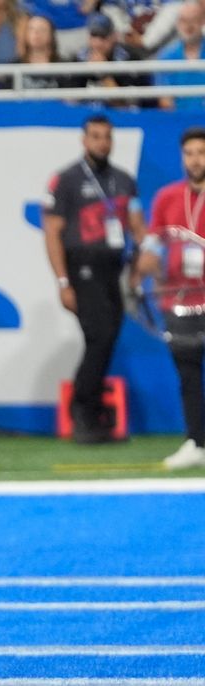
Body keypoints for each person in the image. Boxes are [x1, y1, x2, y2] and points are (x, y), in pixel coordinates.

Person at [43, 114, 145, 444]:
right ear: (84, 140)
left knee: (107, 338)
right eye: (96, 136)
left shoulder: (124, 180)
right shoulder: (66, 180)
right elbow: (52, 233)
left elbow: (136, 225)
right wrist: (62, 281)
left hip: (114, 268)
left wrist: (140, 266)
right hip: (82, 268)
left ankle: (94, 413)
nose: (102, 142)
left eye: (107, 136)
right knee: (99, 336)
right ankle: (83, 410)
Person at [138, 128, 205, 469]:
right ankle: (196, 442)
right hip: (177, 300)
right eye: (189, 153)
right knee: (188, 373)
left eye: (201, 152)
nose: (195, 159)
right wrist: (145, 265)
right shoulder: (166, 197)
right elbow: (153, 244)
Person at [154, 0, 205, 111]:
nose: (188, 26)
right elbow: (165, 101)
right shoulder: (166, 55)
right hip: (178, 121)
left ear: (202, 21)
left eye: (193, 20)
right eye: (183, 21)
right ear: (177, 23)